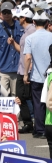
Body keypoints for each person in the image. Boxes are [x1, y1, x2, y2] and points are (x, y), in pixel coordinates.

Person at [24, 11, 52, 139]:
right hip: (50, 75)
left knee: (38, 103)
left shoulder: (30, 38)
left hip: (37, 76)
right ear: (47, 23)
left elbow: (28, 57)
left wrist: (25, 74)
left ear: (34, 22)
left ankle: (40, 129)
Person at [0, 1, 24, 97]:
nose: (7, 14)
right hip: (2, 69)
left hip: (18, 69)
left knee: (17, 97)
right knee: (3, 96)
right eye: (4, 12)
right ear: (0, 14)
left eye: (9, 12)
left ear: (13, 12)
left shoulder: (20, 26)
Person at [15, 9, 36, 134]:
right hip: (22, 68)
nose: (17, 20)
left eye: (19, 17)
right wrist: (13, 44)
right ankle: (29, 123)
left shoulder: (32, 32)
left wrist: (28, 70)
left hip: (27, 70)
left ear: (24, 18)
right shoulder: (26, 32)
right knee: (21, 97)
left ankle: (33, 123)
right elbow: (22, 51)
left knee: (29, 97)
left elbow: (31, 54)